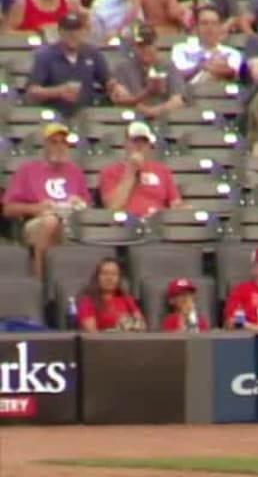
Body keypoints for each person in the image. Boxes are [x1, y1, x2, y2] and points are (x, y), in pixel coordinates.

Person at [2, 122, 90, 279]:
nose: (59, 146)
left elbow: (87, 208)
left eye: (63, 142)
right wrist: (37, 208)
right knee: (50, 221)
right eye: (54, 142)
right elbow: (8, 209)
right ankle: (40, 280)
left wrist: (79, 204)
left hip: (69, 222)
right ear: (45, 146)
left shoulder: (75, 172)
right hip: (36, 222)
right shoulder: (27, 170)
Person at [26, 12, 124, 117]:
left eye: (77, 30)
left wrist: (115, 87)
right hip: (55, 115)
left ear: (83, 32)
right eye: (68, 30)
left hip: (87, 116)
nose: (73, 34)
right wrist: (58, 91)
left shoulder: (92, 53)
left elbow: (107, 80)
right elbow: (32, 92)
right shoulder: (45, 56)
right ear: (60, 32)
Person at [99, 122, 185, 217]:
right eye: (135, 141)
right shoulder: (110, 171)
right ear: (125, 143)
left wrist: (181, 208)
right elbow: (112, 207)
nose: (140, 146)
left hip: (156, 221)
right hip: (126, 223)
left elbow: (175, 203)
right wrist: (131, 170)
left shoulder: (162, 170)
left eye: (144, 141)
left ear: (149, 145)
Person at [111, 23, 187, 119]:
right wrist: (147, 95)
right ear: (133, 47)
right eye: (141, 46)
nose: (146, 49)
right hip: (132, 119)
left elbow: (177, 100)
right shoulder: (122, 68)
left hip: (164, 119)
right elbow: (122, 99)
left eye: (149, 44)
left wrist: (153, 112)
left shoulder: (168, 66)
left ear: (155, 45)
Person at [172, 5, 244, 84]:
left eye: (214, 23)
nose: (210, 27)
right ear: (196, 27)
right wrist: (201, 66)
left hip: (219, 93)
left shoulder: (232, 53)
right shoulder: (181, 49)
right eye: (204, 23)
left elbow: (232, 73)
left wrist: (208, 67)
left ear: (220, 27)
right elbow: (179, 75)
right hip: (188, 92)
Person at [76, 258, 146, 333]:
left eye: (114, 274)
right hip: (103, 343)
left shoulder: (126, 298)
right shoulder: (87, 302)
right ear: (97, 277)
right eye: (104, 273)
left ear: (119, 278)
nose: (109, 278)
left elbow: (141, 325)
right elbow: (93, 334)